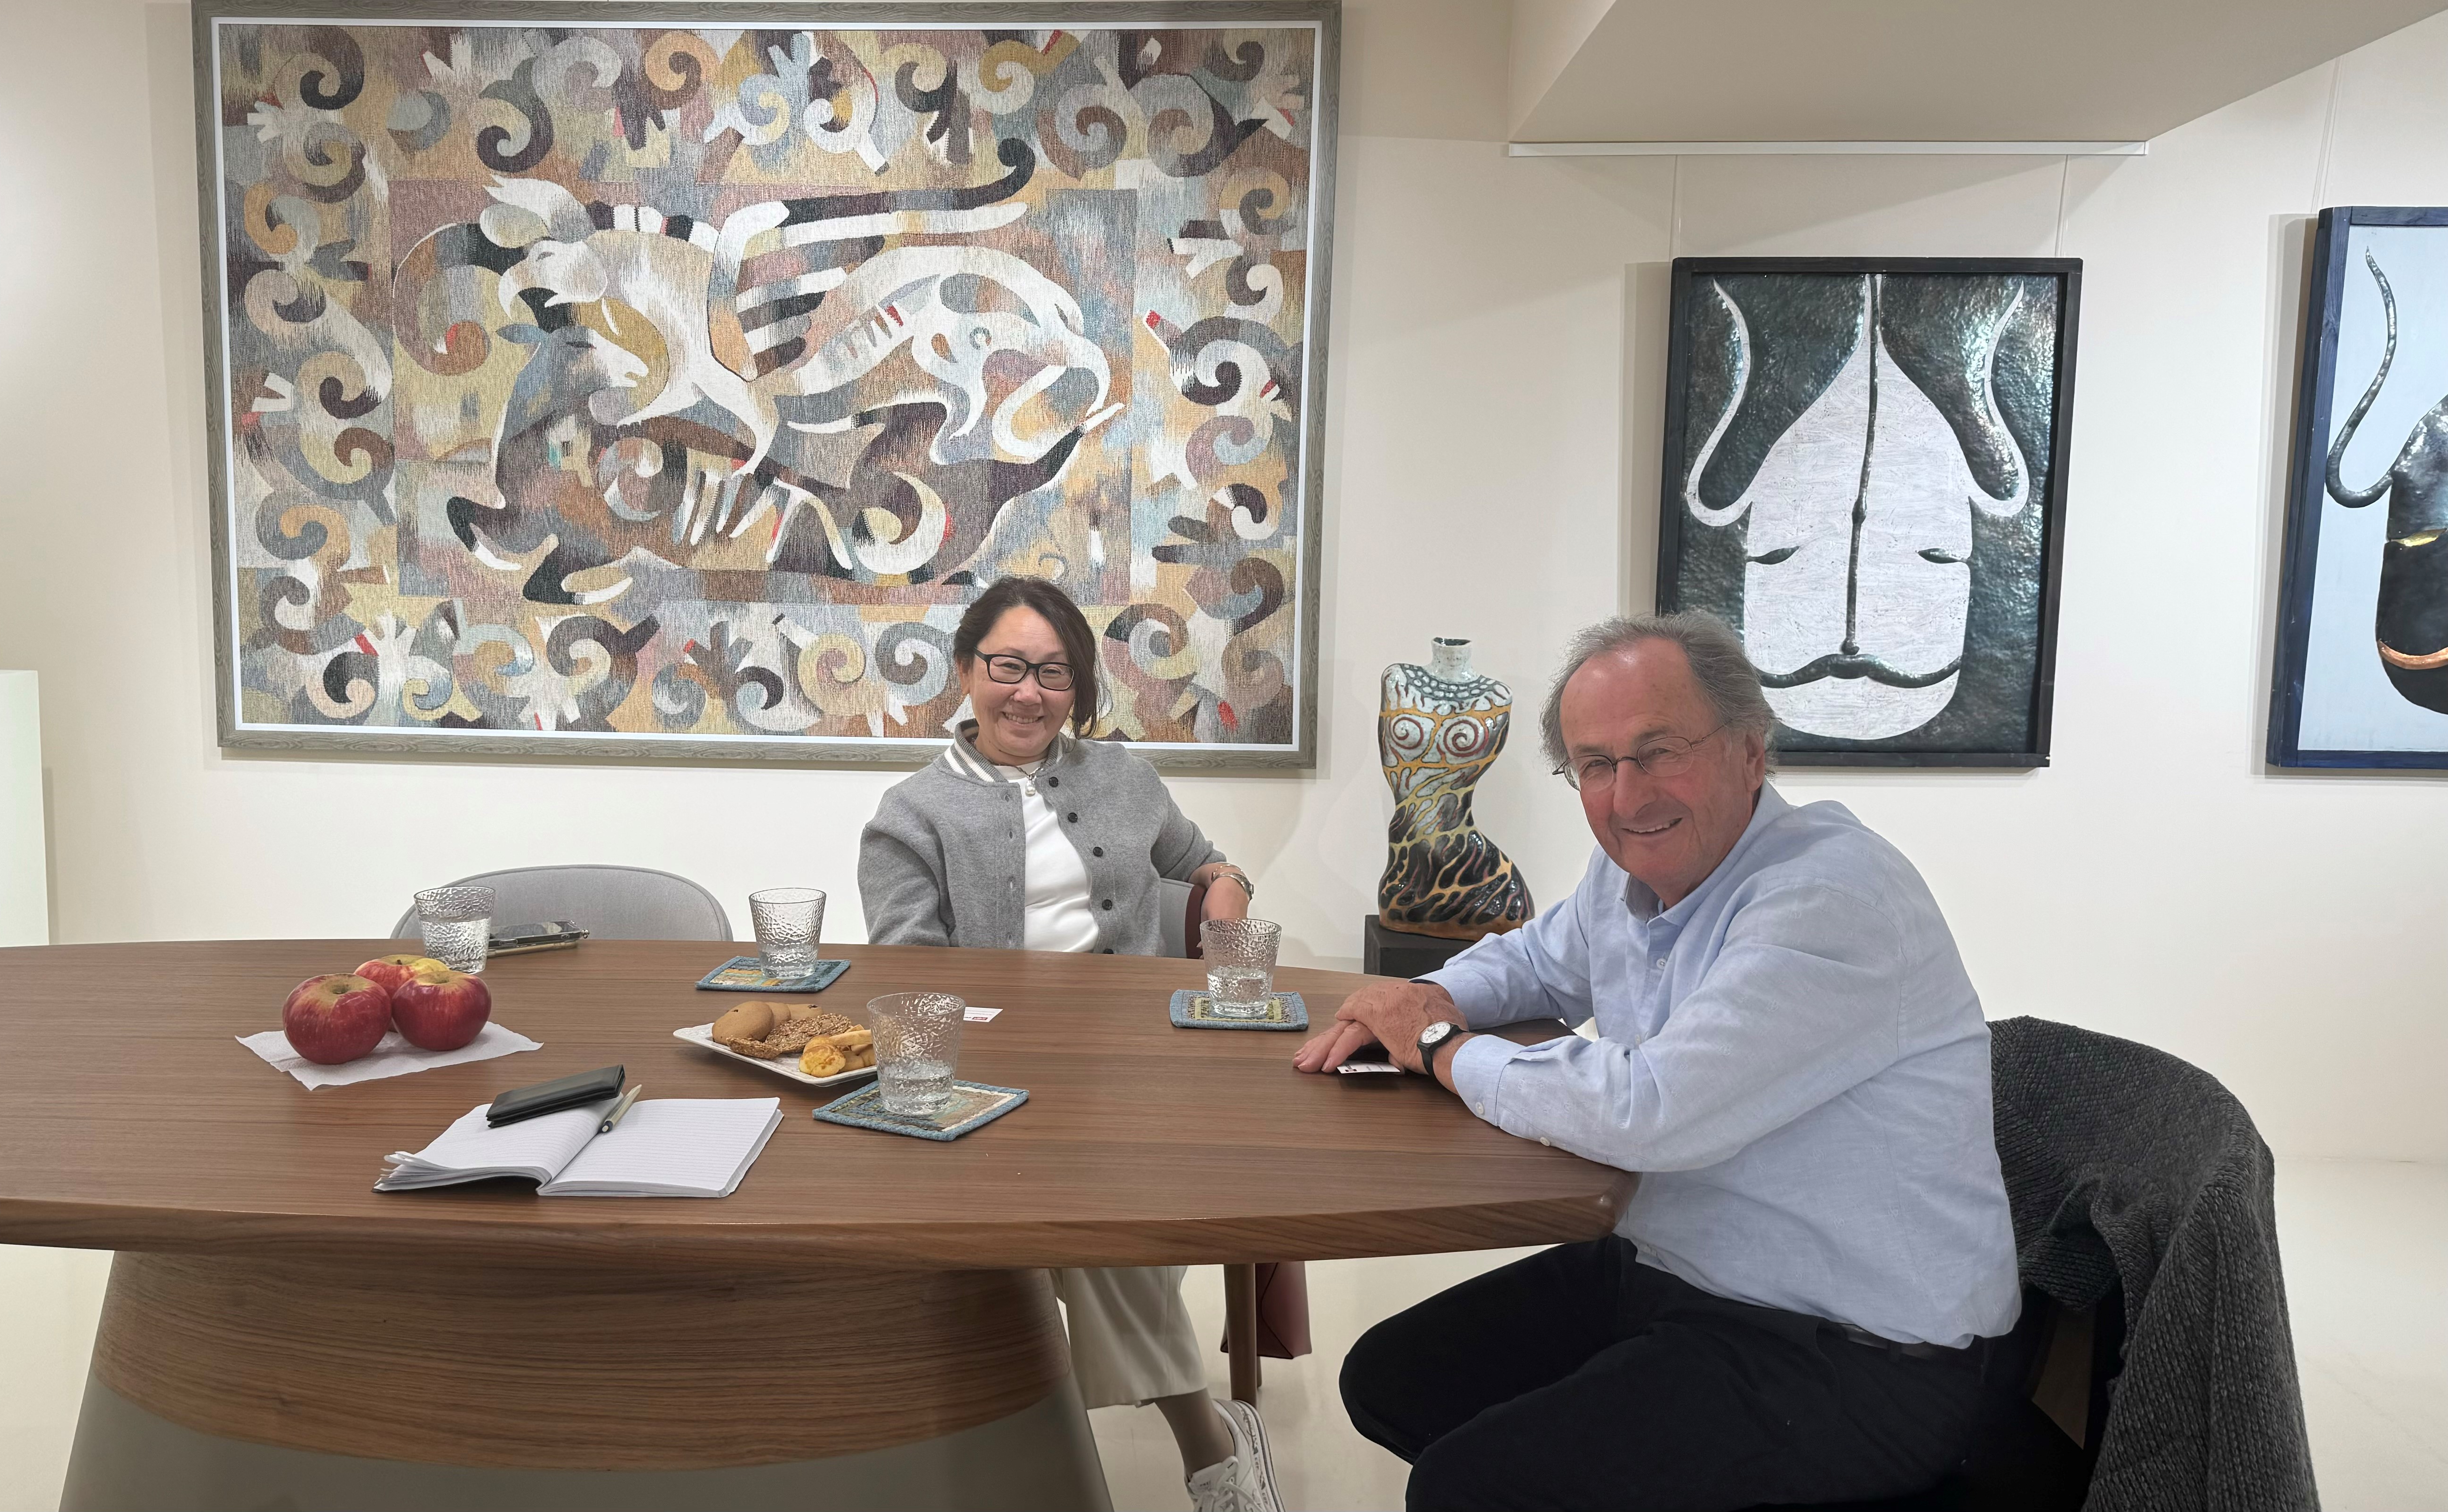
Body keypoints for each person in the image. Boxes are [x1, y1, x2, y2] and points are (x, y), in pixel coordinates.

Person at [1295, 611, 2020, 1512]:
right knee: (1391, 1377)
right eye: (1595, 765)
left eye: (1658, 750)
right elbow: (1531, 963)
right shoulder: (1635, 869)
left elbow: (1651, 1110)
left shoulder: (1831, 895)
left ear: (1751, 751)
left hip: (1856, 1352)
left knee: (1466, 1489)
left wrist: (1439, 1045)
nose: (1627, 794)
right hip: (1683, 1272)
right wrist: (1420, 999)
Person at [859, 575, 1276, 1512]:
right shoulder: (912, 812)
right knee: (1079, 1216)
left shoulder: (1124, 777)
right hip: (987, 1078)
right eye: (1008, 666)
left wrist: (1226, 895)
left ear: (1078, 687)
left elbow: (1206, 862)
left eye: (1054, 672)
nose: (1029, 692)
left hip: (1135, 1069)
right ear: (966, 672)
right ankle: (1206, 1441)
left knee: (1094, 1198)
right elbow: (912, 983)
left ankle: (1049, 1450)